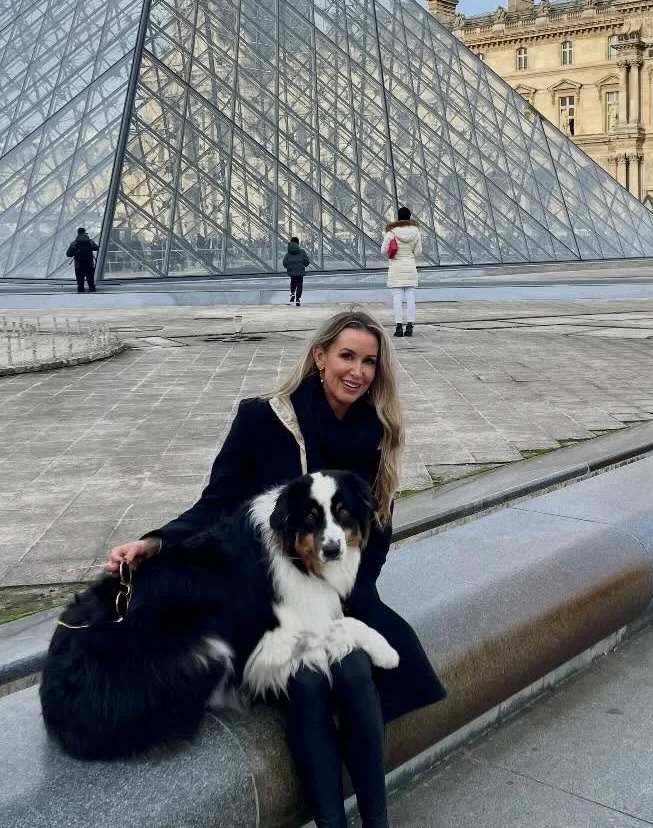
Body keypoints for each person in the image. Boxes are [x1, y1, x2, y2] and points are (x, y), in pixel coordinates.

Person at [104, 311, 445, 828]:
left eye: (369, 361)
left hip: (342, 595)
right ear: (320, 357)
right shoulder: (263, 418)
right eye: (346, 356)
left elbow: (375, 538)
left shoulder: (378, 437)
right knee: (309, 682)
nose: (357, 371)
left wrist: (341, 598)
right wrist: (155, 543)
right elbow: (217, 504)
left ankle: (377, 822)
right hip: (263, 600)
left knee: (351, 671)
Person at [382, 207, 422, 338]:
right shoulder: (416, 232)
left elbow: (383, 250)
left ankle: (399, 327)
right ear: (409, 217)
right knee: (411, 298)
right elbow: (418, 252)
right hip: (410, 267)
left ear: (398, 217)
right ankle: (410, 327)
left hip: (396, 267)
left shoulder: (391, 232)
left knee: (397, 298)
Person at [66, 228, 99, 293]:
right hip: (89, 264)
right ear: (85, 233)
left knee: (80, 284)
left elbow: (68, 254)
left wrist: (75, 252)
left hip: (78, 266)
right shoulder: (90, 241)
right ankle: (93, 296)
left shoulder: (74, 243)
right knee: (91, 283)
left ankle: (80, 296)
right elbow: (97, 248)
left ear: (78, 233)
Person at [282, 236, 311, 306]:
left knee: (293, 282)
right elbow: (306, 261)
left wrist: (288, 267)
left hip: (292, 271)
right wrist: (304, 265)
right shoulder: (302, 251)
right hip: (300, 271)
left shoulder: (288, 253)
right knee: (299, 285)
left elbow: (285, 263)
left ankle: (292, 293)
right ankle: (298, 299)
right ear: (298, 243)